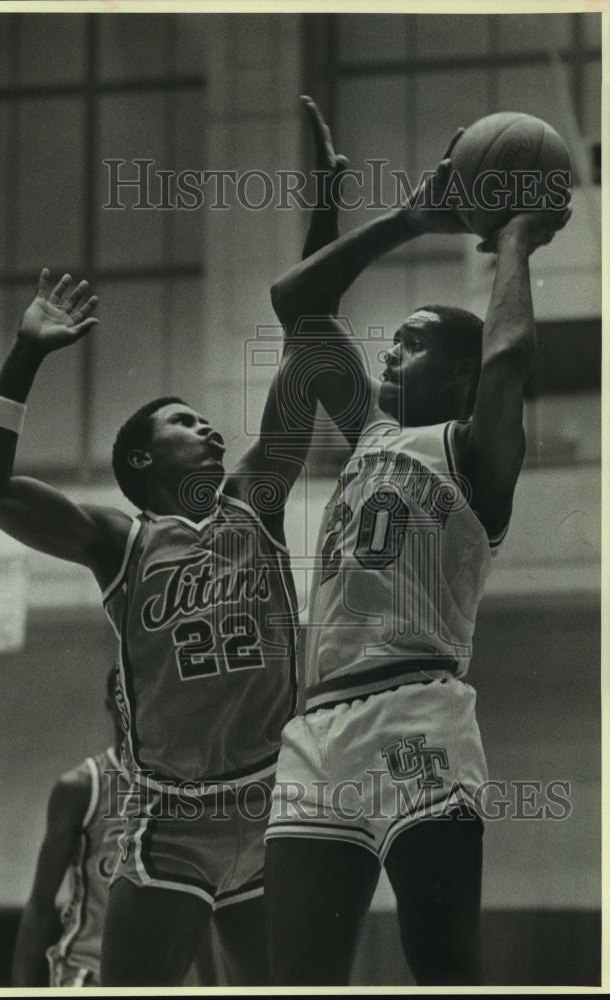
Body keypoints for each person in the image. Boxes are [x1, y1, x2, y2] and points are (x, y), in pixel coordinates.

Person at [0, 141, 346, 983]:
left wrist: (324, 213)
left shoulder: (257, 501)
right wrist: (26, 352)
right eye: (183, 422)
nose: (207, 428)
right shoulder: (117, 542)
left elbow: (307, 345)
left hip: (276, 801)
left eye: (210, 422)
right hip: (170, 822)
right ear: (139, 461)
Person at [263, 97, 571, 986]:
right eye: (390, 341)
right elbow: (297, 303)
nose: (389, 352)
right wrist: (410, 216)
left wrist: (512, 238)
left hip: (418, 716)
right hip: (317, 732)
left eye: (412, 341)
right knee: (296, 979)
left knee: (441, 966)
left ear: (463, 376)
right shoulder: (364, 434)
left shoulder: (476, 454)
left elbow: (510, 359)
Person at [11, 667, 128, 987]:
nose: (133, 703)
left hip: (158, 970)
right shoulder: (81, 786)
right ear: (110, 706)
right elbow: (40, 901)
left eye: (141, 693)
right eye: (124, 695)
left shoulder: (184, 785)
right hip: (87, 970)